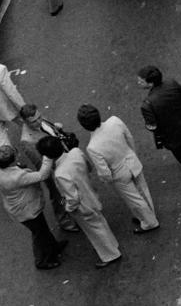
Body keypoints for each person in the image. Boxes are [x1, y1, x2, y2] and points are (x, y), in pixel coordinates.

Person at [37, 137, 122, 268]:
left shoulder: (60, 173)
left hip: (83, 206)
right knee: (100, 223)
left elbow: (73, 198)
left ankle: (109, 254)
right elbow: (89, 167)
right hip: (91, 193)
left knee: (94, 230)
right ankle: (112, 244)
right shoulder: (76, 152)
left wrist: (68, 208)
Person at [78, 105, 158, 234]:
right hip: (131, 160)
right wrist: (132, 154)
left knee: (134, 200)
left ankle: (149, 222)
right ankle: (150, 214)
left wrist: (107, 180)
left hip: (119, 174)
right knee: (143, 190)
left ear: (84, 125)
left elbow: (104, 172)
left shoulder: (92, 147)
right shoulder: (115, 121)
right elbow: (129, 138)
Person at [138, 66, 181, 185]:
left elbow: (152, 126)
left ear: (150, 83)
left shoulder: (147, 104)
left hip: (170, 135)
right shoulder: (172, 84)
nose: (138, 82)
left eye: (141, 81)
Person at [15, 105, 78, 233]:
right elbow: (39, 163)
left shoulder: (41, 120)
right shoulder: (27, 141)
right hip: (53, 169)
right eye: (34, 121)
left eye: (39, 117)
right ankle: (64, 220)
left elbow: (50, 130)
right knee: (58, 195)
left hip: (63, 156)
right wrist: (52, 176)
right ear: (25, 122)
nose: (39, 121)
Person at [0, 144, 63, 269]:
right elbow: (42, 175)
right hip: (27, 210)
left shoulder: (4, 172)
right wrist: (47, 157)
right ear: (14, 157)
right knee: (38, 234)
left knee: (42, 229)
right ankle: (41, 260)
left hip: (19, 208)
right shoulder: (16, 177)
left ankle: (54, 247)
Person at [0, 66, 26, 146]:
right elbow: (11, 92)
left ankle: (8, 157)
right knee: (28, 125)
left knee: (2, 143)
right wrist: (23, 107)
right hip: (6, 108)